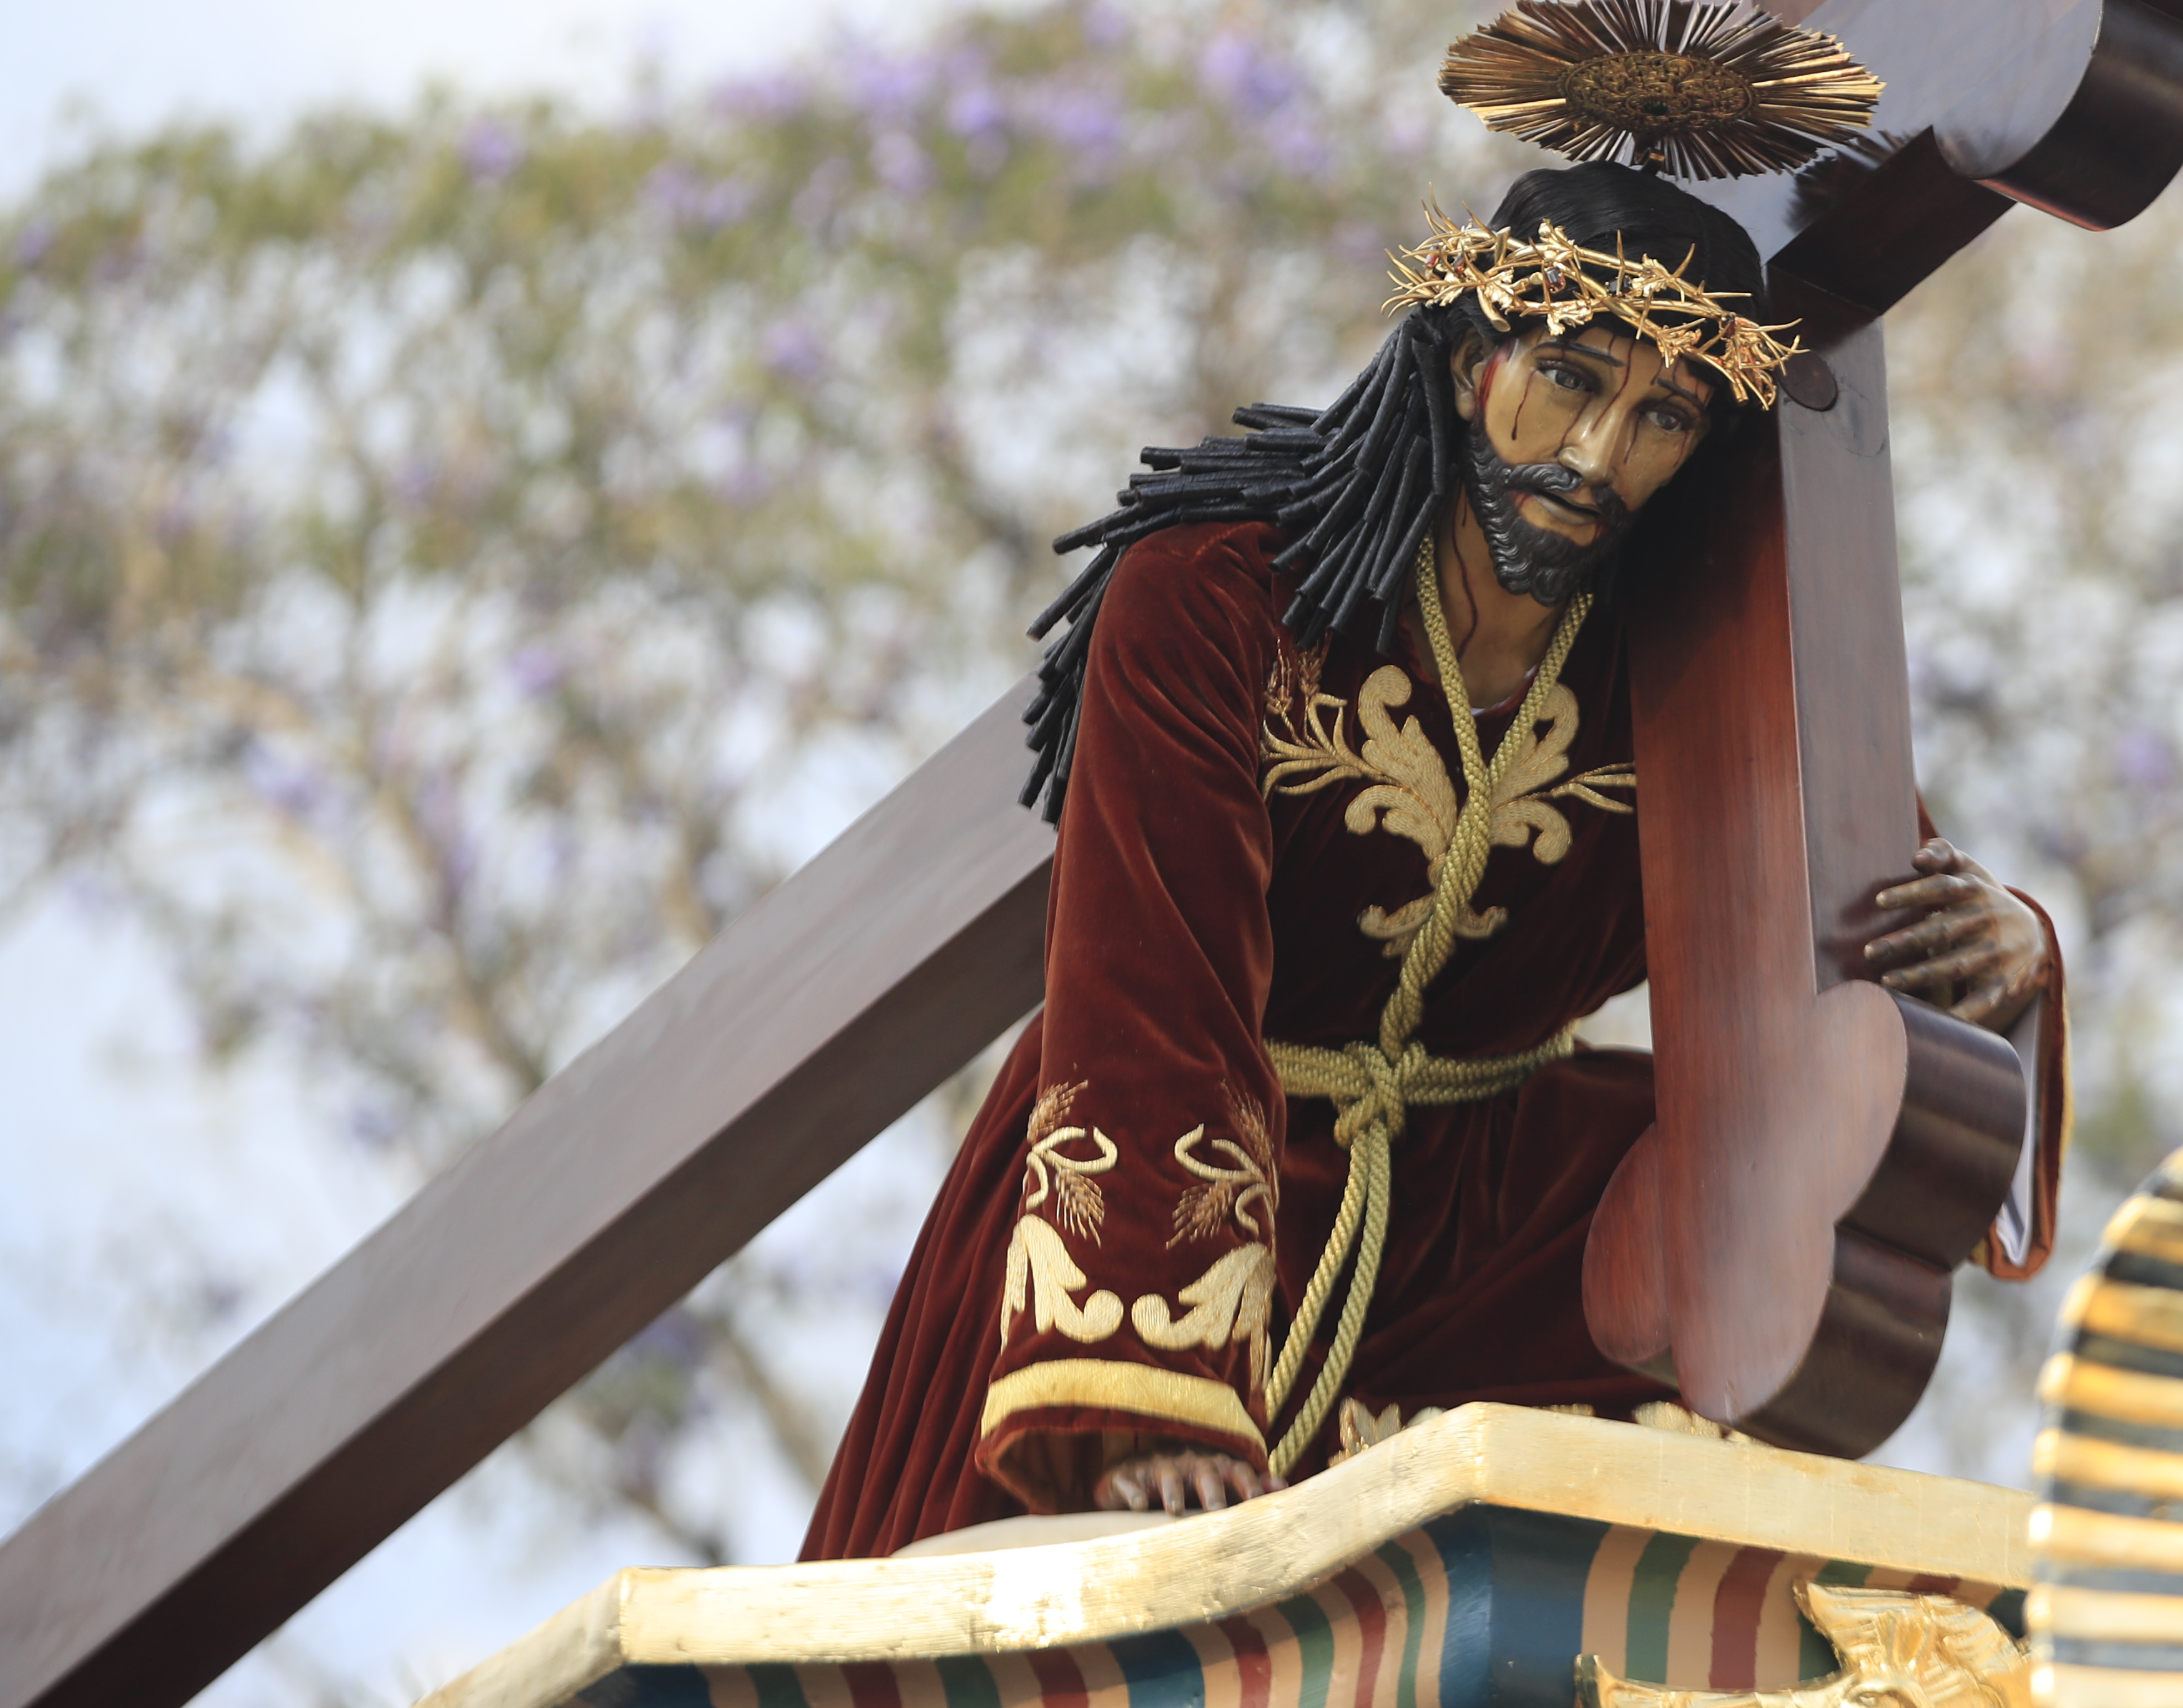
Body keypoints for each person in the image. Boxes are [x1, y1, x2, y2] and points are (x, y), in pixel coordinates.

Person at [800, 160, 2068, 1554]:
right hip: (1174, 1182)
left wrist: (2000, 958)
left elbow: (1871, 929)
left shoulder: (1706, 673)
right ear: (1470, 361)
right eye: (1570, 382)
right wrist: (1156, 1398)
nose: (1597, 459)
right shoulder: (1215, 598)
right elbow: (1152, 987)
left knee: (1740, 1220)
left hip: (1491, 1221)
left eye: (1661, 417)